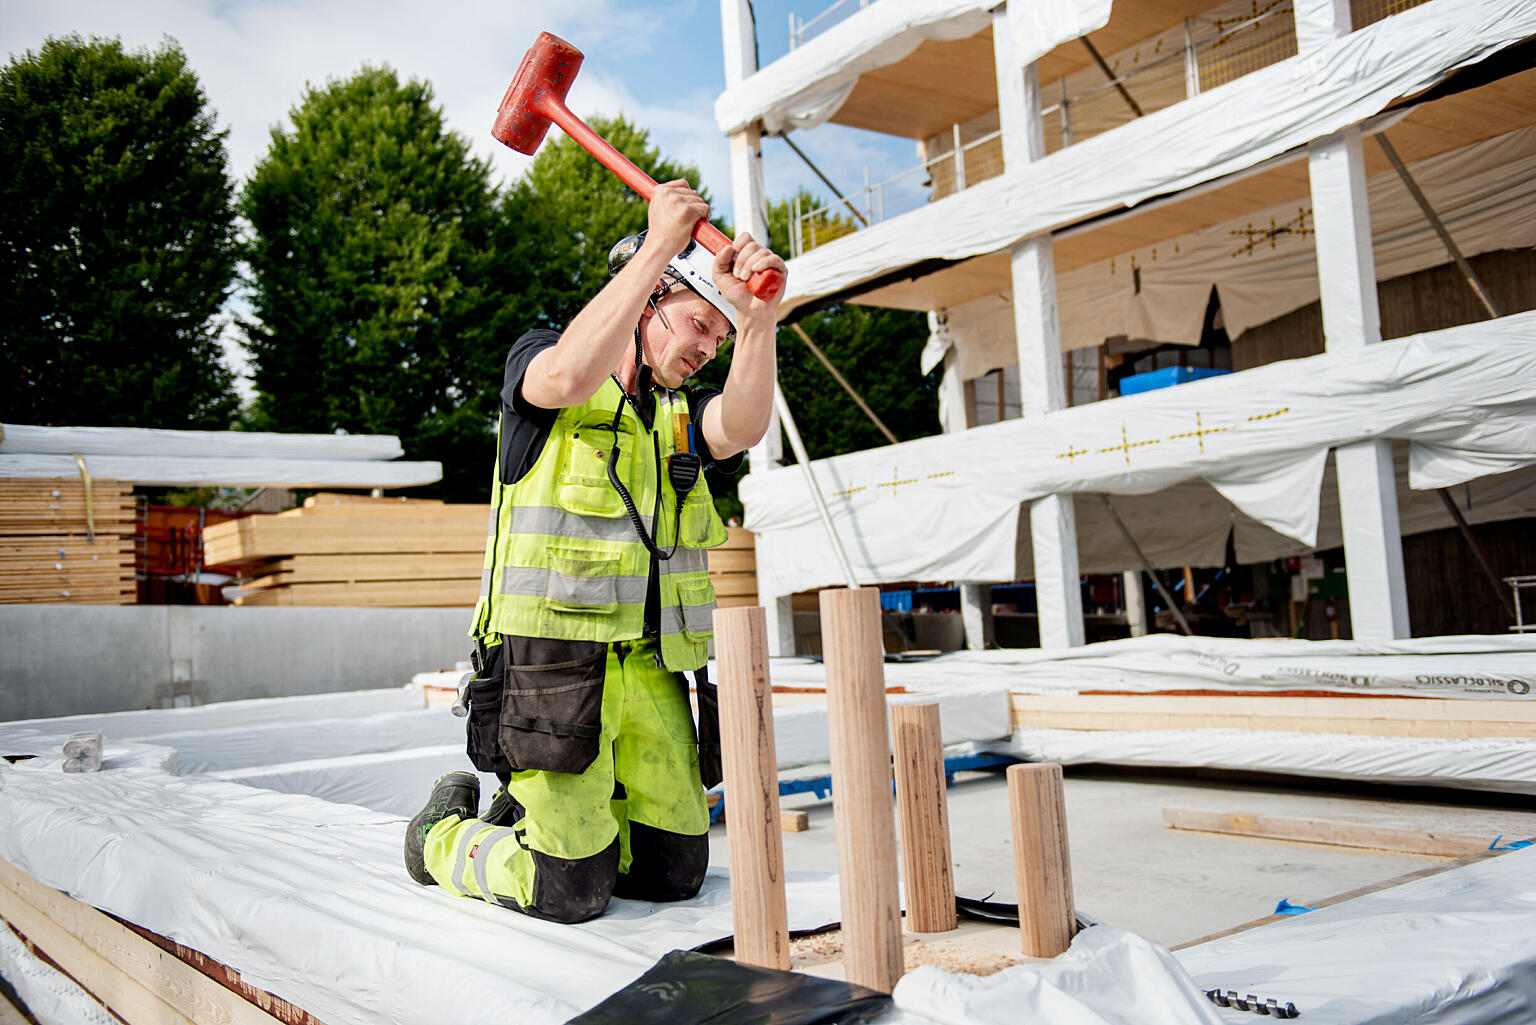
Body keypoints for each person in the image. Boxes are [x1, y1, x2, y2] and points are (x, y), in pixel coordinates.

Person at [403, 180, 784, 923]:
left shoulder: (676, 415)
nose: (707, 347)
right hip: (550, 663)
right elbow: (569, 375)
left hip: (648, 664)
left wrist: (761, 317)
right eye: (698, 323)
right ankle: (442, 838)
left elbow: (740, 427)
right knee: (568, 890)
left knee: (676, 872)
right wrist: (658, 247)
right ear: (648, 300)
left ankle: (546, 810)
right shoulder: (544, 358)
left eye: (719, 336)